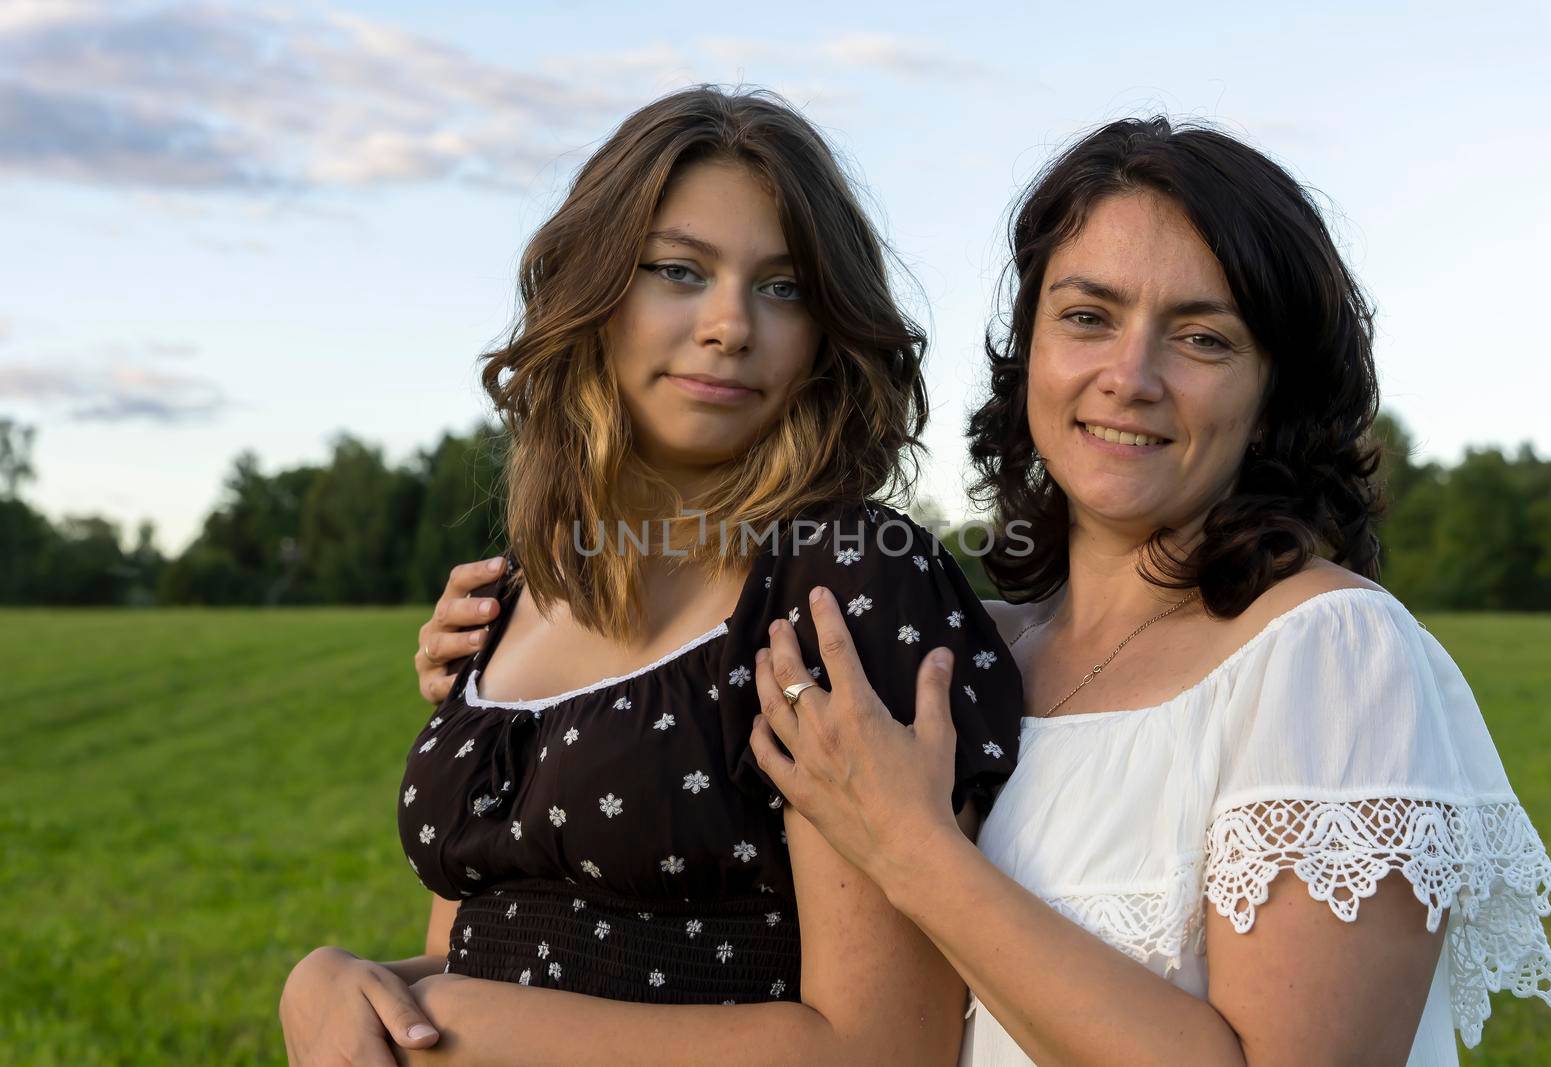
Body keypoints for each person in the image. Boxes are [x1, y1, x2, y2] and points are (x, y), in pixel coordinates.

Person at [739, 118, 1551, 1066]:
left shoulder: (1328, 651)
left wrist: (912, 848)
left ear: (1272, 394)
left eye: (1202, 337)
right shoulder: (970, 650)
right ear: (1031, 351)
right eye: (1087, 317)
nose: (1129, 377)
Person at [280, 85, 1024, 1066]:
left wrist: (468, 1030)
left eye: (784, 285)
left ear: (826, 331)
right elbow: (476, 947)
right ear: (592, 293)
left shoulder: (836, 585)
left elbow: (881, 1046)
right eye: (678, 270)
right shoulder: (514, 593)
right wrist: (327, 982)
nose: (729, 324)